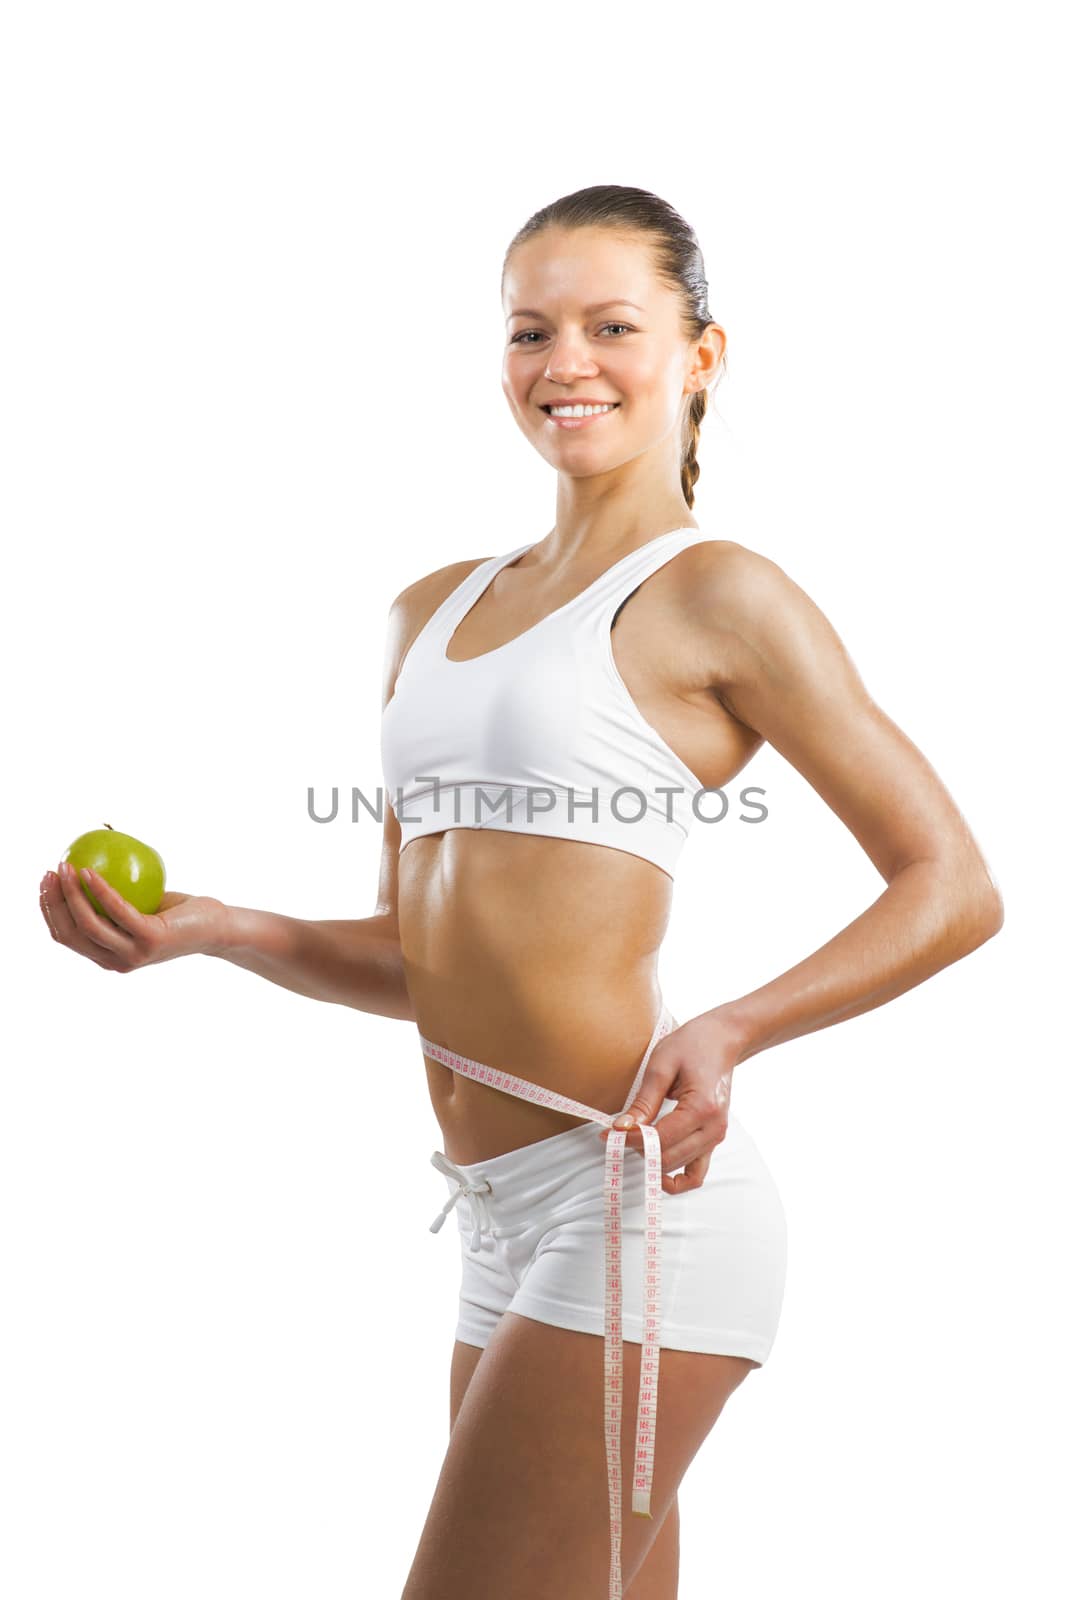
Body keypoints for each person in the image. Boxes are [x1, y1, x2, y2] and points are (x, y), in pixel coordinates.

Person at [39, 183, 1004, 1600]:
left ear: (702, 357)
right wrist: (223, 933)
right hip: (501, 1217)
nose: (567, 365)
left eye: (614, 325)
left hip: (643, 1208)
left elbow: (954, 885)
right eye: (530, 330)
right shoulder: (428, 610)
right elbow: (422, 957)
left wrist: (734, 1026)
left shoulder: (716, 594)